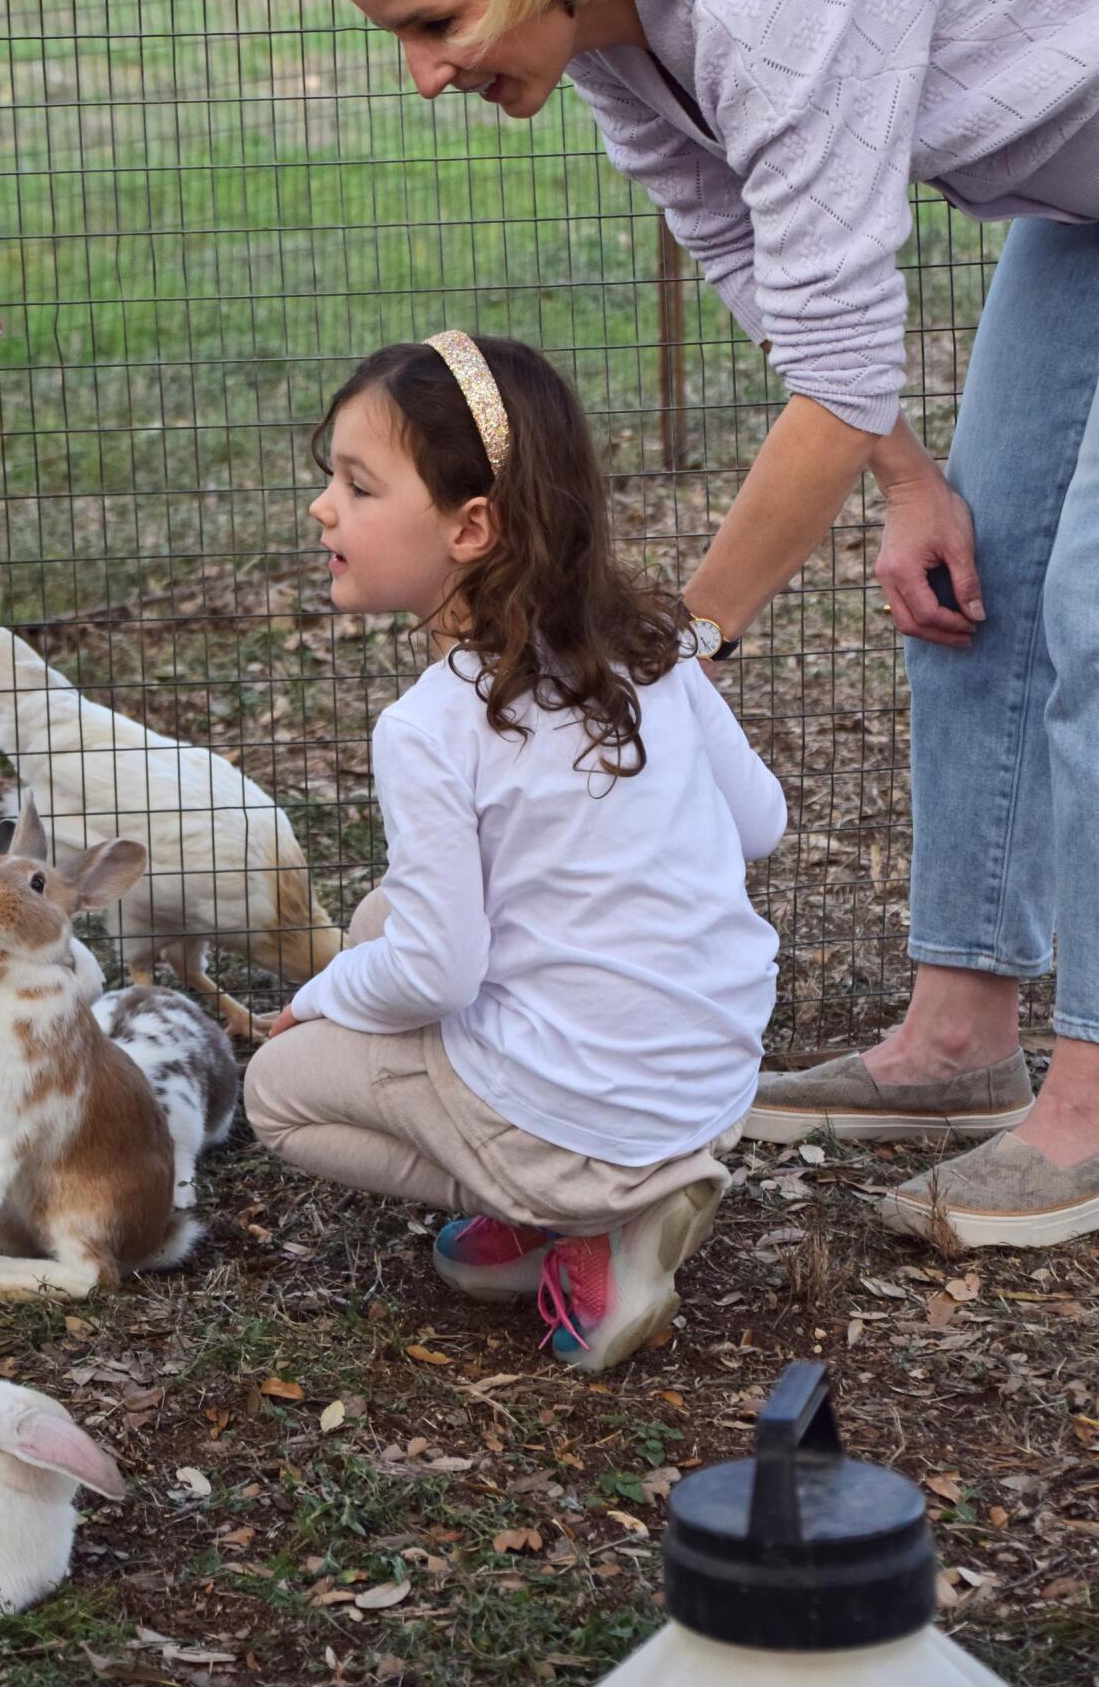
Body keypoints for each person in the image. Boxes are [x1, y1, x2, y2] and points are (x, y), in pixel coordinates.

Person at [304, 0, 1099, 1250]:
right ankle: (957, 1037)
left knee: (1093, 616)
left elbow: (842, 360)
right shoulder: (618, 27)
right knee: (980, 578)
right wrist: (910, 483)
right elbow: (758, 268)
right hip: (1082, 193)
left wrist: (678, 645)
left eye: (434, 21)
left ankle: (1092, 1113)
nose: (425, 75)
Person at [243, 332, 786, 1370]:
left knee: (278, 1085)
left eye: (357, 486)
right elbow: (759, 823)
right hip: (710, 1077)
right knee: (375, 924)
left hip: (592, 1104)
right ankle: (597, 1181)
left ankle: (583, 1215)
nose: (323, 507)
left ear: (472, 524)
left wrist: (319, 998)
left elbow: (439, 971)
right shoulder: (648, 649)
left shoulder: (427, 726)